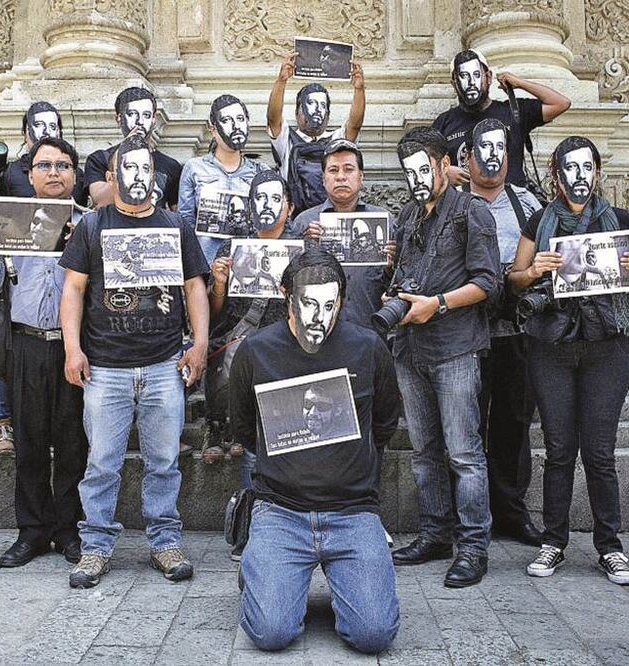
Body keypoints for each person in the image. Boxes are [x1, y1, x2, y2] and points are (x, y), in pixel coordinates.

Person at [230, 248, 400, 654]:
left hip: (353, 511)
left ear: (341, 300)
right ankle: (263, 567)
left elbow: (384, 424)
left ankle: (312, 578)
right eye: (307, 303)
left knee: (373, 636)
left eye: (329, 304)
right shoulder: (255, 351)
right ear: (286, 295)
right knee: (270, 634)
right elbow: (244, 430)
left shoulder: (368, 347)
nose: (317, 317)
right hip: (280, 510)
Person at [59, 134, 209, 588]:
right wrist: (72, 348)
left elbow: (195, 287)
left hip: (165, 365)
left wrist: (199, 343)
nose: (138, 176)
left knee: (163, 460)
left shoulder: (176, 225)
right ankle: (96, 548)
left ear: (156, 175)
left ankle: (165, 542)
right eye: (129, 168)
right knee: (102, 462)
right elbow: (73, 289)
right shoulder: (92, 226)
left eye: (146, 168)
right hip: (105, 367)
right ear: (112, 176)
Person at [508, 136, 629, 585]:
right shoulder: (539, 220)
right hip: (551, 348)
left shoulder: (620, 220)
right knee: (559, 450)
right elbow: (514, 281)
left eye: (586, 167)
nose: (579, 177)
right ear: (556, 175)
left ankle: (610, 546)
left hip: (606, 347)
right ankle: (554, 543)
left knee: (601, 452)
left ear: (597, 172)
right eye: (569, 169)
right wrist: (534, 271)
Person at [386, 127, 500, 588]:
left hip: (455, 350)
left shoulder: (473, 212)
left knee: (464, 454)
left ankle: (473, 546)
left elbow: (488, 282)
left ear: (443, 164)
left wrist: (440, 304)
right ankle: (435, 533)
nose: (415, 179)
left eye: (422, 169)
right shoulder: (407, 216)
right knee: (424, 452)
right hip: (409, 350)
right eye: (407, 171)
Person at [0, 136, 89, 568]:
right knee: (28, 443)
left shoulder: (92, 224)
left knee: (72, 442)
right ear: (29, 174)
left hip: (74, 347)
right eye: (45, 166)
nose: (54, 173)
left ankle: (69, 529)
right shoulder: (11, 220)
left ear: (75, 175)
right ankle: (32, 531)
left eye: (63, 165)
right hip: (24, 342)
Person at [466, 119, 543, 547]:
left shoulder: (526, 202)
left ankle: (512, 513)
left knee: (514, 422)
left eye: (499, 148)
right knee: (467, 426)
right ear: (469, 156)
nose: (491, 157)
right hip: (467, 332)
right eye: (483, 148)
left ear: (508, 157)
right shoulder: (453, 203)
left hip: (517, 331)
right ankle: (474, 516)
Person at [206, 171, 295, 473]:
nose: (266, 205)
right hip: (238, 349)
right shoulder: (230, 249)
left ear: (288, 207)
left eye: (274, 198)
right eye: (259, 197)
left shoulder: (301, 251)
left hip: (285, 351)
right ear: (249, 205)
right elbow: (215, 315)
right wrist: (219, 283)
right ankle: (220, 426)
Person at [290, 139, 396, 329]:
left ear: (361, 176)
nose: (341, 177)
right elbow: (290, 285)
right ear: (323, 179)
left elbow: (399, 285)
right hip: (317, 333)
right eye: (333, 170)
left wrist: (391, 267)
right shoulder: (304, 222)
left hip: (369, 332)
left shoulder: (385, 220)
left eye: (348, 169)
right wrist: (305, 250)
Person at [432, 49, 571, 189]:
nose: (471, 83)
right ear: (454, 84)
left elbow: (560, 103)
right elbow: (424, 162)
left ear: (488, 77)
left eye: (476, 74)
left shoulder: (512, 111)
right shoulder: (444, 122)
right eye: (463, 76)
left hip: (512, 203)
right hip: (464, 206)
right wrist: (443, 172)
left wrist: (519, 83)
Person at [266, 51, 365, 213]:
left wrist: (359, 89)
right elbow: (273, 118)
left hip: (332, 218)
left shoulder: (336, 139)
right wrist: (281, 80)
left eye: (322, 105)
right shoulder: (286, 140)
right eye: (310, 103)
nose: (317, 110)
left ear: (328, 114)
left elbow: (355, 125)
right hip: (295, 220)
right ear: (297, 112)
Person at [178, 94, 268, 262]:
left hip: (247, 262)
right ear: (213, 129)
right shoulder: (194, 167)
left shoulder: (261, 171)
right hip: (206, 262)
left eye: (240, 119)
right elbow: (186, 220)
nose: (236, 126)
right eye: (226, 120)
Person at [84, 87, 183, 209]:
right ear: (118, 119)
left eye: (146, 115)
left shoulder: (171, 166)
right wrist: (125, 152)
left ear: (153, 120)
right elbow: (100, 200)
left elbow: (177, 212)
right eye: (132, 114)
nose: (140, 122)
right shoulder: (99, 159)